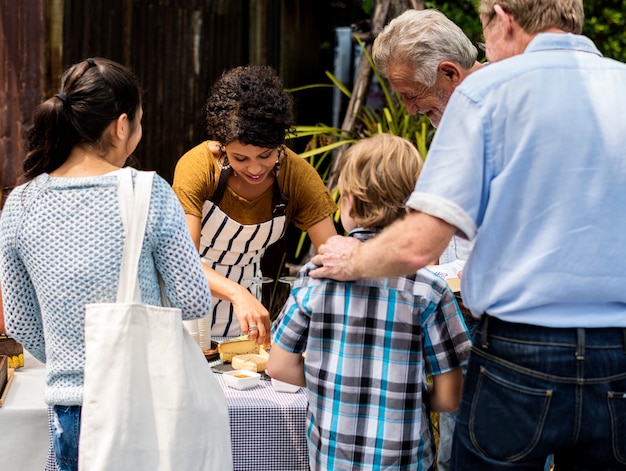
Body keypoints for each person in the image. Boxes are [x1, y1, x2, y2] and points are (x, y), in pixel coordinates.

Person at [310, 0, 626, 468]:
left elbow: (420, 243)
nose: (483, 45)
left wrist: (350, 259)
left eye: (483, 26)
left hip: (521, 351)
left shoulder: (484, 95)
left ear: (503, 16)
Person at [0, 57, 214, 471]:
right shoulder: (148, 192)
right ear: (121, 126)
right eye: (138, 121)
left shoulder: (20, 204)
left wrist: (72, 357)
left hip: (69, 408)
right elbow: (193, 300)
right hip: (141, 401)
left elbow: (21, 323)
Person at [267, 133, 471, 471]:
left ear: (347, 201)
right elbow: (450, 395)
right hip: (404, 461)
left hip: (331, 459)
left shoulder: (315, 276)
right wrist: (408, 396)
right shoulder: (430, 289)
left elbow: (279, 367)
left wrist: (331, 384)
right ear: (413, 206)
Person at [372, 9, 482, 470]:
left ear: (449, 72)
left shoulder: (487, 114)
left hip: (492, 321)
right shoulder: (457, 118)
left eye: (412, 96)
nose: (411, 110)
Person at [172, 65, 337, 343]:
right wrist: (237, 294)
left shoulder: (297, 176)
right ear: (221, 144)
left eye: (266, 155)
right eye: (240, 159)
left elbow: (333, 257)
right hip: (186, 307)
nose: (255, 169)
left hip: (246, 319)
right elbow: (184, 263)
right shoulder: (198, 167)